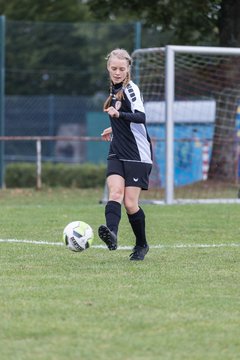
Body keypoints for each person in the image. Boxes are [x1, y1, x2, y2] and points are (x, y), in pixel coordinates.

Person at [98, 48, 153, 261]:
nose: (117, 72)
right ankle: (111, 233)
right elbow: (125, 121)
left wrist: (118, 115)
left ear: (128, 68)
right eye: (114, 68)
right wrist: (114, 128)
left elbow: (140, 117)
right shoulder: (113, 89)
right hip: (117, 150)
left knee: (130, 204)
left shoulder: (131, 88)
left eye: (121, 68)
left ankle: (142, 244)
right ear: (108, 68)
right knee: (114, 193)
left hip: (137, 154)